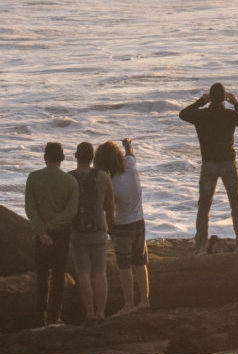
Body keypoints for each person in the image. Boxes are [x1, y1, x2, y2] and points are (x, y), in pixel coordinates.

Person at [179, 82, 238, 255]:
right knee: (235, 204)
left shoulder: (201, 115)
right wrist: (236, 103)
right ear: (224, 99)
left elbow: (183, 114)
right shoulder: (230, 114)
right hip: (228, 162)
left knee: (204, 206)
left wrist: (200, 102)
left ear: (210, 98)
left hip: (209, 164)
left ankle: (200, 247)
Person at [24, 141, 79, 328]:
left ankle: (39, 319)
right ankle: (54, 318)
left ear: (45, 157)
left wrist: (42, 230)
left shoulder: (33, 178)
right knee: (58, 276)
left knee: (41, 277)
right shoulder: (70, 182)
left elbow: (30, 208)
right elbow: (71, 212)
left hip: (41, 235)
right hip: (61, 234)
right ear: (62, 158)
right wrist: (52, 227)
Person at [94, 138, 149, 313]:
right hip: (139, 222)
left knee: (124, 267)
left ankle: (129, 304)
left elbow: (108, 210)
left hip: (122, 226)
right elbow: (131, 154)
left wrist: (111, 231)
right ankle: (145, 300)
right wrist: (127, 144)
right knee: (141, 263)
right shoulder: (131, 166)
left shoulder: (111, 184)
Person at [70, 141, 115, 323]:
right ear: (92, 158)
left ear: (76, 156)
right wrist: (111, 229)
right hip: (98, 230)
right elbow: (110, 207)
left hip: (77, 232)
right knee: (99, 273)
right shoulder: (103, 177)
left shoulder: (69, 178)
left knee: (83, 274)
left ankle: (89, 313)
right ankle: (101, 313)